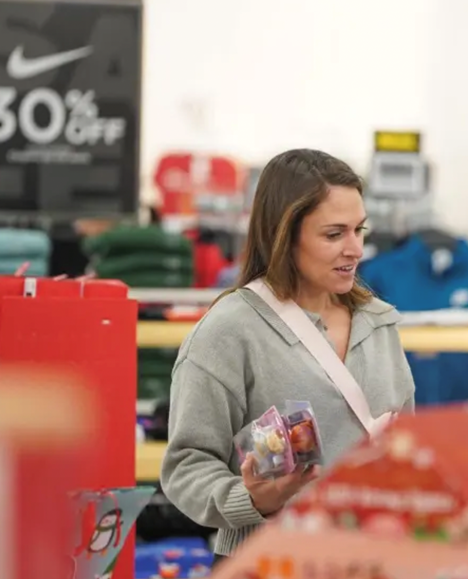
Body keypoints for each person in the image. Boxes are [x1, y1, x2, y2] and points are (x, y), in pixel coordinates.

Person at [161, 149, 416, 560]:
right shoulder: (229, 331)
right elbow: (186, 466)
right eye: (334, 234)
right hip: (267, 562)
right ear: (283, 234)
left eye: (359, 230)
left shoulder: (378, 322)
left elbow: (407, 441)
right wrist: (253, 499)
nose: (355, 249)